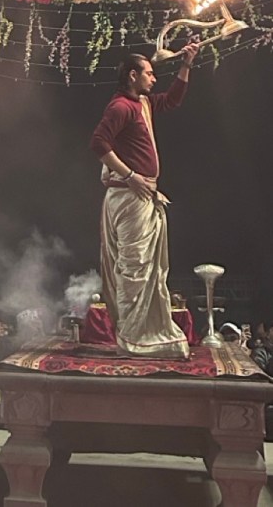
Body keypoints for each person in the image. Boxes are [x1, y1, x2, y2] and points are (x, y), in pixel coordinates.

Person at [90, 43, 199, 359]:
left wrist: (186, 64)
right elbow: (98, 143)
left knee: (145, 269)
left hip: (141, 194)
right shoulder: (121, 106)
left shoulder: (143, 103)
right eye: (149, 73)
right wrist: (129, 176)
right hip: (130, 196)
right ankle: (134, 339)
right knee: (134, 268)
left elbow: (172, 100)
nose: (153, 78)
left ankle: (144, 337)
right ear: (132, 75)